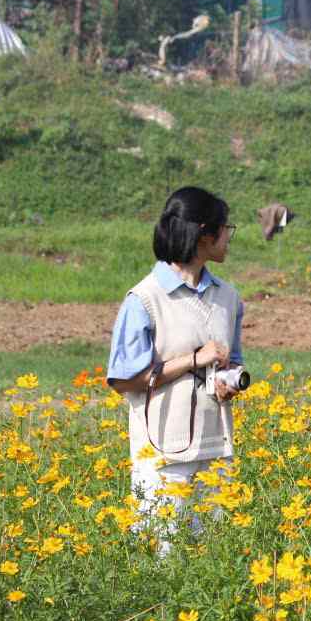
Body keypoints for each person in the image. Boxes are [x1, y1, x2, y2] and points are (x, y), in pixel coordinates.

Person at [106, 186, 244, 555]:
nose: (229, 236)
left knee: (214, 559)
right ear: (204, 234)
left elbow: (234, 359)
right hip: (164, 455)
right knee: (161, 560)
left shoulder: (228, 297)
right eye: (224, 227)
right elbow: (123, 380)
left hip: (217, 448)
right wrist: (192, 360)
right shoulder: (145, 299)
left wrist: (229, 381)